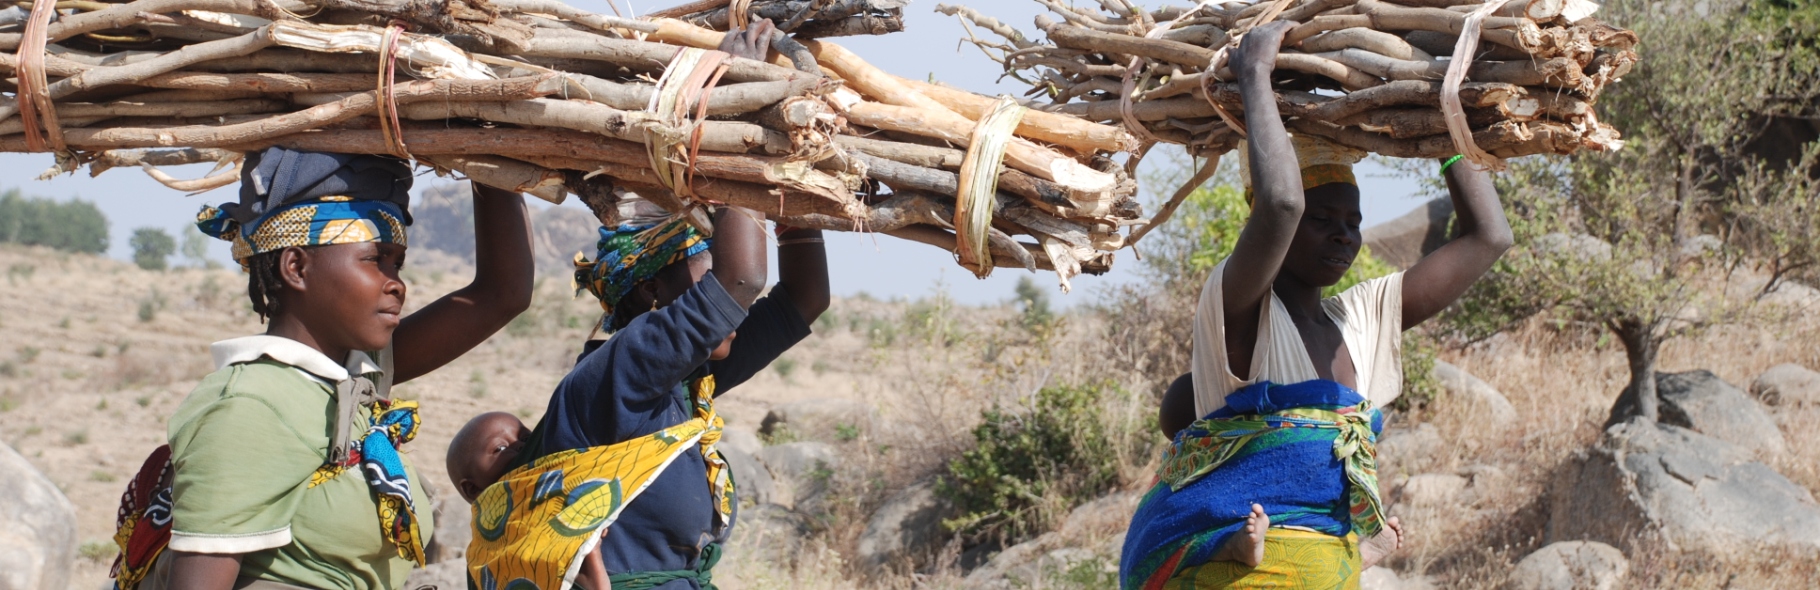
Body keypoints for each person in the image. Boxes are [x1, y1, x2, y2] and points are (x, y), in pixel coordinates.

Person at [1119, 20, 1514, 590]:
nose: (1344, 237)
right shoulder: (1240, 310)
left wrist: (1446, 116)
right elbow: (1280, 203)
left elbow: (1489, 238)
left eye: (1353, 222)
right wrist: (1254, 75)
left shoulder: (1359, 321)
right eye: (1322, 220)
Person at [108, 148, 534, 590]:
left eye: (397, 263)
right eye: (374, 259)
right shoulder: (252, 406)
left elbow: (503, 293)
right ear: (296, 267)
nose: (397, 283)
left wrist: (489, 148)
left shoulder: (351, 380)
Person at [446, 188, 828, 589]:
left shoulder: (683, 382)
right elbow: (741, 281)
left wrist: (795, 200)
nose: (736, 308)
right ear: (652, 291)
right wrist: (749, 172)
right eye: (707, 277)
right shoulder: (619, 375)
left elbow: (806, 298)